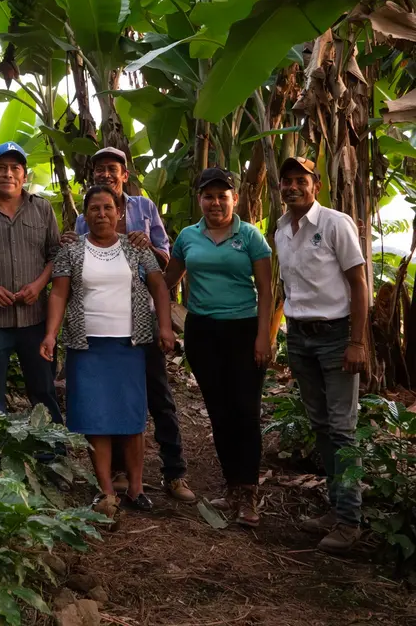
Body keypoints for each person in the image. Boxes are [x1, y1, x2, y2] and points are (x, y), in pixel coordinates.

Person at [66, 147, 195, 503]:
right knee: (107, 398)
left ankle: (174, 472)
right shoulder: (85, 214)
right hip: (100, 323)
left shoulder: (144, 208)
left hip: (143, 317)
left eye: (113, 169)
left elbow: (167, 260)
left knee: (156, 395)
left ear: (125, 174)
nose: (106, 174)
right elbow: (79, 254)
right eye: (100, 169)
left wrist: (147, 245)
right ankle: (119, 476)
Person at [41, 185, 175, 515]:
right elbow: (58, 294)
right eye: (94, 209)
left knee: (131, 419)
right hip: (86, 348)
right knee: (94, 419)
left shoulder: (136, 246)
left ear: (118, 214)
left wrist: (167, 326)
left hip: (129, 344)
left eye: (107, 208)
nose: (101, 214)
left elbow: (158, 285)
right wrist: (50, 335)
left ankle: (136, 487)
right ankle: (104, 492)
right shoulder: (71, 250)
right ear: (85, 216)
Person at [164, 168, 273, 527]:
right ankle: (231, 487)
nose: (215, 202)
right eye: (208, 196)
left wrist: (263, 337)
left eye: (222, 196)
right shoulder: (187, 237)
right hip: (203, 331)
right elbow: (168, 281)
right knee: (220, 412)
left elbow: (267, 292)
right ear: (200, 200)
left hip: (243, 330)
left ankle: (248, 494)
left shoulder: (251, 237)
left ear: (234, 199)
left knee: (245, 411)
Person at [275, 157, 368, 554]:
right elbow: (286, 289)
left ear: (315, 185)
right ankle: (336, 510)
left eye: (301, 180)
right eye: (287, 181)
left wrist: (358, 342)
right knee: (321, 427)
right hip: (299, 337)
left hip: (335, 335)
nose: (293, 186)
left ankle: (349, 521)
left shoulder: (334, 223)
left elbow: (360, 284)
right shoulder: (280, 230)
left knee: (342, 428)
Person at [0, 142, 62, 422]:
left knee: (43, 389)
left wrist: (38, 285)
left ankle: (51, 455)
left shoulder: (42, 210)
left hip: (35, 320)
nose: (8, 174)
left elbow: (55, 255)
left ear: (24, 175)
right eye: (1, 168)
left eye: (15, 168)